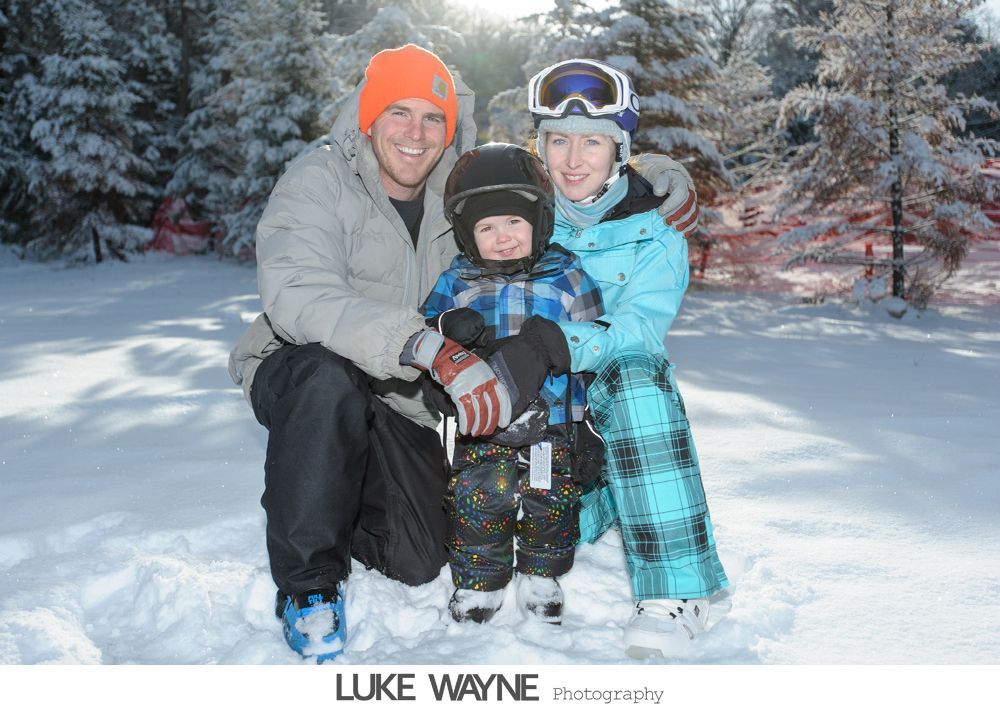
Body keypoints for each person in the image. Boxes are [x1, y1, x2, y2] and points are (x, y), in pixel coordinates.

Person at [227, 42, 700, 662]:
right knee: (326, 379)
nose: (415, 134)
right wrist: (427, 344)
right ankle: (310, 588)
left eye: (432, 118)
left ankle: (350, 483)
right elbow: (299, 293)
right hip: (317, 363)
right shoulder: (320, 179)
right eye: (399, 112)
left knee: (422, 560)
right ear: (368, 115)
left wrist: (655, 174)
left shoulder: (456, 180)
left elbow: (554, 170)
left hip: (404, 396)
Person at [520, 58, 731, 657]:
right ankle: (595, 507)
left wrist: (563, 343)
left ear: (620, 151)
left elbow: (641, 328)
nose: (573, 158)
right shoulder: (512, 214)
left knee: (640, 378)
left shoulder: (656, 231)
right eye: (558, 140)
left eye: (593, 141)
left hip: (612, 425)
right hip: (536, 442)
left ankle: (676, 592)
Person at [419, 142, 605, 626]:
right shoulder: (457, 282)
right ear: (466, 234)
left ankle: (543, 573)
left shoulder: (566, 276)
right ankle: (480, 578)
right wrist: (446, 333)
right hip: (484, 421)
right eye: (487, 227)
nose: (502, 237)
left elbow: (593, 341)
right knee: (482, 492)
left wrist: (588, 419)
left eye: (514, 223)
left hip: (554, 422)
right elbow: (424, 335)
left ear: (539, 223)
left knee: (550, 494)